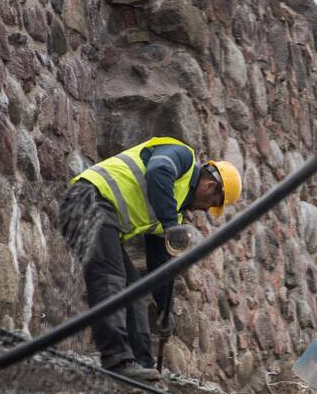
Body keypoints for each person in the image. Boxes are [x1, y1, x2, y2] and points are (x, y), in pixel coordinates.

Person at [59, 136, 241, 381]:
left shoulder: (173, 212)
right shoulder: (183, 157)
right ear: (210, 186)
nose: (207, 209)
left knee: (134, 291)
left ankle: (141, 367)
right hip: (87, 200)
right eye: (213, 203)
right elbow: (158, 170)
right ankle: (117, 361)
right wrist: (169, 225)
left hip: (100, 214)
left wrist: (166, 310)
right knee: (111, 278)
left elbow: (159, 266)